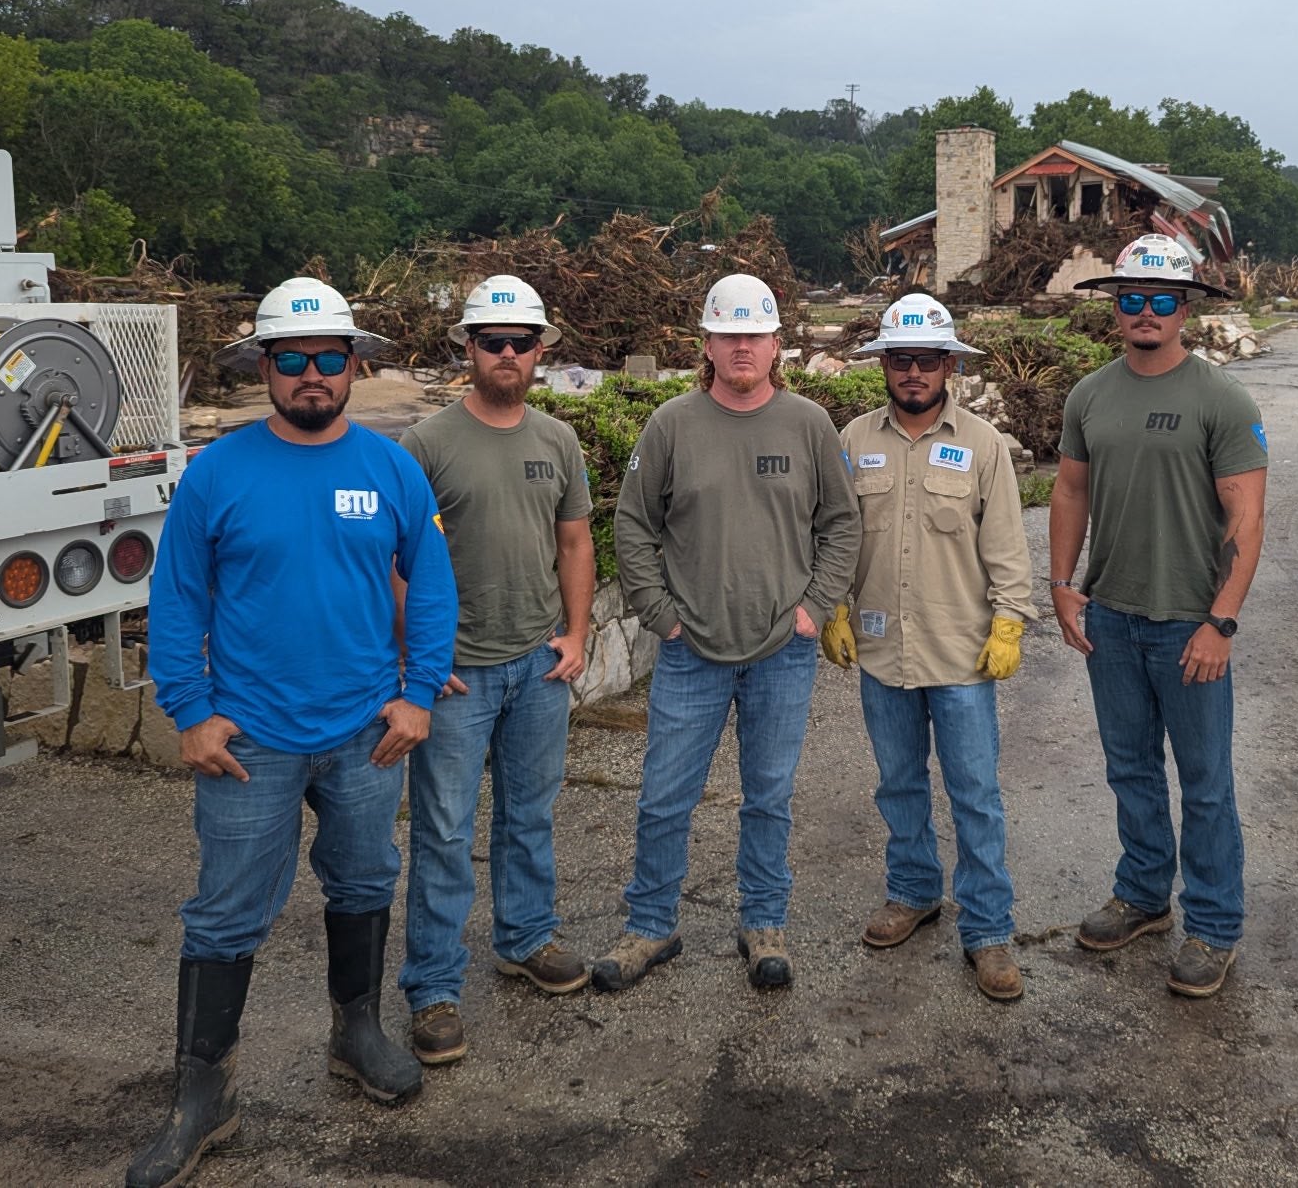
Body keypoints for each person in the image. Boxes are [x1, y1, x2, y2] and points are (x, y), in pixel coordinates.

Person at [128, 277, 458, 1188]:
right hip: (250, 742)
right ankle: (204, 1097)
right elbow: (176, 598)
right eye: (292, 359)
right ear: (264, 368)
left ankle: (357, 1033)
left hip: (365, 733)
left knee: (365, 879)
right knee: (226, 910)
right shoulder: (217, 472)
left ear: (354, 367)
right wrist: (190, 712)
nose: (312, 374)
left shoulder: (392, 468)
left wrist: (418, 694)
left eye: (328, 359)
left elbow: (431, 586)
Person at [594, 273, 861, 993]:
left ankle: (764, 922)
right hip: (692, 651)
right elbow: (633, 523)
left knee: (769, 796)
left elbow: (842, 523)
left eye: (755, 334)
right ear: (707, 345)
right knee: (663, 797)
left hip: (783, 649)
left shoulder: (809, 425)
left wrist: (814, 607)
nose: (742, 346)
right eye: (728, 334)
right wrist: (660, 614)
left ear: (777, 345)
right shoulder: (671, 425)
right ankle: (651, 925)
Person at [1048, 234, 1268, 999]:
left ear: (1185, 308)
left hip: (1188, 622)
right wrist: (1061, 584)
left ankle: (1214, 925)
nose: (1146, 312)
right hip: (1111, 616)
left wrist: (1222, 621)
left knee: (1205, 782)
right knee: (1131, 768)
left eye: (1161, 299)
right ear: (1116, 307)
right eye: (1132, 298)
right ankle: (1144, 894)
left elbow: (1247, 518)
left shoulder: (1221, 400)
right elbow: (1069, 491)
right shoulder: (1089, 396)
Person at [396, 275, 596, 1067]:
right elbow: (396, 560)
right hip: (457, 676)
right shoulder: (426, 445)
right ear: (468, 350)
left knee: (529, 814)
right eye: (492, 342)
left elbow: (574, 542)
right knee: (444, 831)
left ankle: (525, 939)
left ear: (540, 351)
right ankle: (433, 988)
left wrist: (575, 635)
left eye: (521, 343)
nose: (507, 354)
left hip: (536, 664)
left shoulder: (558, 441)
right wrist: (419, 654)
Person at [820, 293, 1035, 1002]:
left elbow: (1006, 544)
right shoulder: (853, 440)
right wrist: (834, 607)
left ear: (950, 365)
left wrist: (1010, 622)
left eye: (927, 359)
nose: (913, 371)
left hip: (962, 654)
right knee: (898, 783)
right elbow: (837, 536)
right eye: (901, 359)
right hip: (883, 651)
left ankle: (989, 930)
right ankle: (913, 892)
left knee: (975, 794)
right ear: (883, 364)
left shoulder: (982, 444)